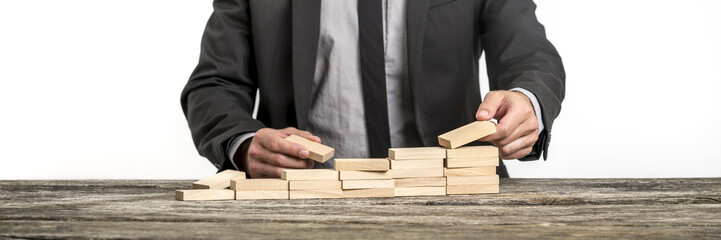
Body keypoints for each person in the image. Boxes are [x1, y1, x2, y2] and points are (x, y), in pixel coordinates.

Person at [181, 0, 565, 178]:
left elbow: (531, 55)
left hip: (453, 194)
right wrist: (245, 143)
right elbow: (214, 84)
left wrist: (527, 100)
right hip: (305, 200)